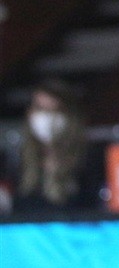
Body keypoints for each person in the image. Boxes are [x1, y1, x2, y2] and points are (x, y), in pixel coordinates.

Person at [9, 78, 96, 214]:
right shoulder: (20, 162)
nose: (46, 117)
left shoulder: (88, 160)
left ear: (69, 116)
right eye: (40, 109)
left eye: (54, 110)